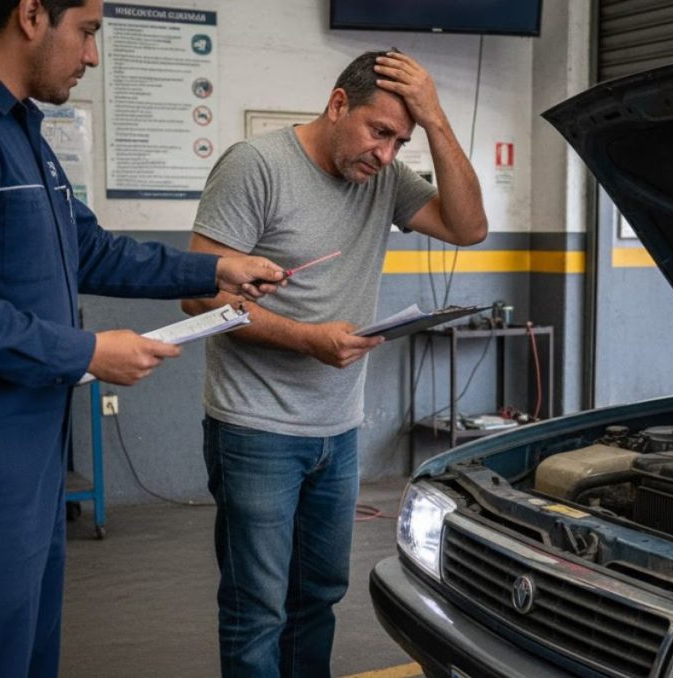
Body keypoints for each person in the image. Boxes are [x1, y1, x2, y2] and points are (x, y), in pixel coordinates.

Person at [0, 1, 287, 675]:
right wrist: (87, 353)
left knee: (30, 646)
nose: (92, 55)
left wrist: (215, 267)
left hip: (34, 452)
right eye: (86, 31)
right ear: (31, 13)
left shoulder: (24, 128)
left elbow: (93, 250)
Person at [182, 49, 487, 676]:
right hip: (254, 426)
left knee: (317, 598)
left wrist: (436, 121)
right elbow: (199, 292)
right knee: (257, 607)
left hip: (338, 429)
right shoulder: (256, 166)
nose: (385, 154)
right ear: (338, 103)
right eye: (380, 132)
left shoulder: (384, 179)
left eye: (400, 142)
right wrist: (306, 338)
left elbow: (470, 226)